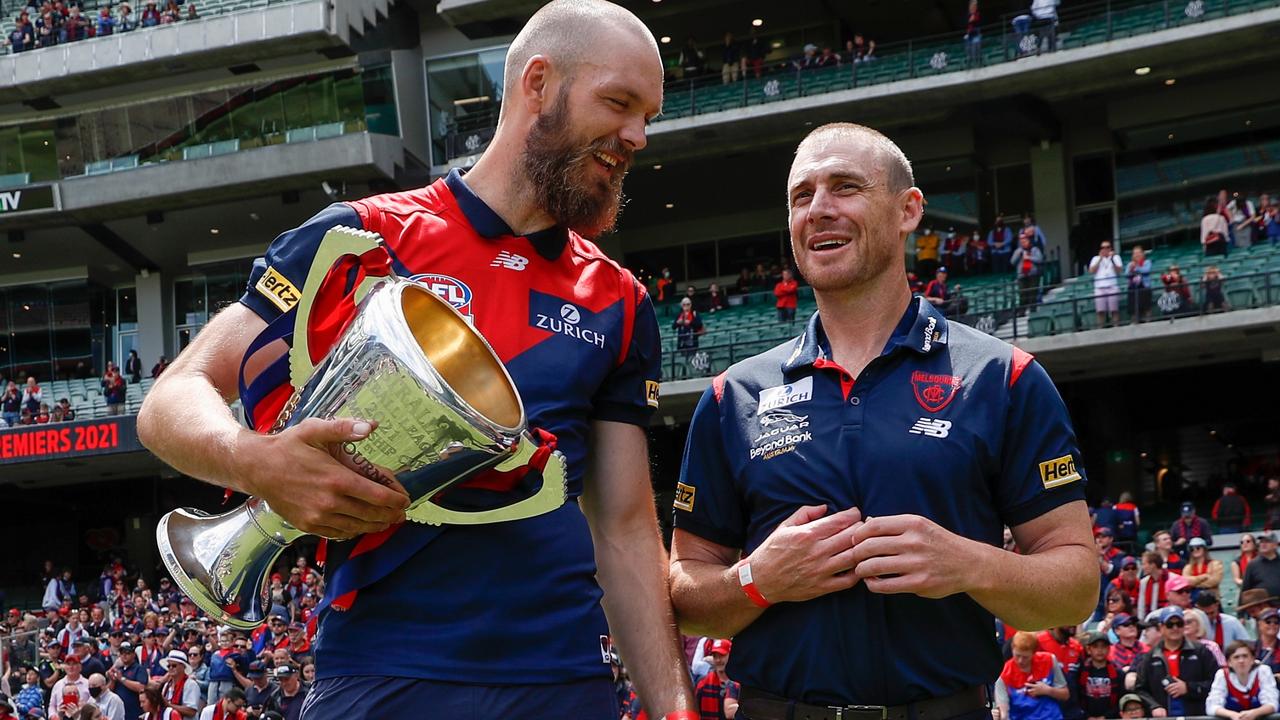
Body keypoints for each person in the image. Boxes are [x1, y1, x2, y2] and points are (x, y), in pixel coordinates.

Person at [136, 2, 695, 719]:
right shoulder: (359, 238)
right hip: (382, 679)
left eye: (647, 115)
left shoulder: (618, 300)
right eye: (618, 104)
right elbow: (172, 398)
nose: (636, 137)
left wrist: (676, 710)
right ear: (538, 83)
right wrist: (253, 459)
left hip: (563, 686)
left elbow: (622, 528)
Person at [667, 123, 1095, 718]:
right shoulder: (732, 394)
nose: (820, 210)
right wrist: (757, 579)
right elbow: (685, 592)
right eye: (802, 195)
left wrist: (969, 564)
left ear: (908, 210)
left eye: (845, 187)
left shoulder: (1004, 378)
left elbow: (1075, 585)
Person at [1130, 606, 1219, 717]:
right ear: (1161, 627)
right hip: (1163, 715)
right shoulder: (1150, 656)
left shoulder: (1201, 652)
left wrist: (1188, 688)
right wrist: (1154, 706)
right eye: (1170, 625)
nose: (1175, 628)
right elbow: (1140, 689)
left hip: (1195, 714)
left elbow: (1217, 684)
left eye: (1179, 624)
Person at [994, 632, 1069, 720]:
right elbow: (1003, 711)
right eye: (1017, 655)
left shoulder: (1049, 660)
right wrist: (999, 716)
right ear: (1012, 649)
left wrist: (1048, 690)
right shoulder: (1004, 675)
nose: (1020, 661)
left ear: (1034, 652)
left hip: (1051, 716)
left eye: (1025, 657)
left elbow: (1065, 695)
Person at [1205, 641, 1277, 720]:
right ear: (1229, 662)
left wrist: (1254, 713)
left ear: (1253, 659)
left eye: (1245, 656)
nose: (1241, 661)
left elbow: (1272, 704)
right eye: (1236, 657)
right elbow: (1211, 707)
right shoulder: (1222, 675)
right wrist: (1232, 715)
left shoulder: (1263, 671)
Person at [1077, 632, 1119, 720]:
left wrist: (1106, 716)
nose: (1100, 650)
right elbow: (1077, 698)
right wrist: (1086, 716)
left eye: (1103, 646)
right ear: (1088, 649)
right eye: (1095, 646)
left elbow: (1120, 699)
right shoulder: (1080, 672)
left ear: (1108, 649)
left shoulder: (1118, 673)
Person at [1087, 241, 1122, 328]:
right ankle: (1101, 329)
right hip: (1099, 287)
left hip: (1112, 286)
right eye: (1103, 247)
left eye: (1107, 247)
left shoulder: (1116, 257)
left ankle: (1116, 327)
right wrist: (1100, 259)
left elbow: (1119, 271)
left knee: (1114, 310)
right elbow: (1091, 271)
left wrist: (1112, 259)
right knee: (1100, 311)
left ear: (1111, 248)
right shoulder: (1095, 258)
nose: (1105, 249)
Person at [1011, 231, 1044, 308]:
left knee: (1033, 293)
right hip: (1022, 275)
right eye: (1021, 241)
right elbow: (1012, 262)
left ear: (1028, 240)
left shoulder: (1035, 249)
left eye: (1025, 240)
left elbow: (1040, 259)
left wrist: (1029, 258)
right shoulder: (1018, 251)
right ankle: (1022, 311)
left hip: (1033, 274)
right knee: (1022, 293)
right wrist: (1019, 254)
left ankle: (1033, 309)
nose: (1023, 242)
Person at [1242, 533, 1280, 598]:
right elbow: (1245, 589)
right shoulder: (1252, 565)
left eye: (1267, 541)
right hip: (1261, 606)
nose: (1263, 544)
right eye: (1261, 542)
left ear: (1275, 545)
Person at [1125, 246, 1153, 324]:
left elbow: (1146, 270)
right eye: (1135, 253)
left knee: (1147, 308)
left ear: (1143, 253)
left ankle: (1149, 323)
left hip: (1144, 287)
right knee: (1133, 309)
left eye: (1138, 252)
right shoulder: (1130, 264)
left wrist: (1136, 267)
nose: (1137, 255)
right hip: (1133, 289)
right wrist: (1131, 269)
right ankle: (1134, 324)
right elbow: (1126, 274)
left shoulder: (1147, 262)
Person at [964, 0, 982, 66]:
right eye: (972, 6)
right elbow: (967, 23)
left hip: (976, 34)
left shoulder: (977, 14)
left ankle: (978, 63)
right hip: (969, 35)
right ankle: (970, 64)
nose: (973, 7)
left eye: (975, 6)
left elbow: (974, 20)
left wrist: (972, 17)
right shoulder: (968, 15)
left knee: (976, 49)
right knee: (969, 50)